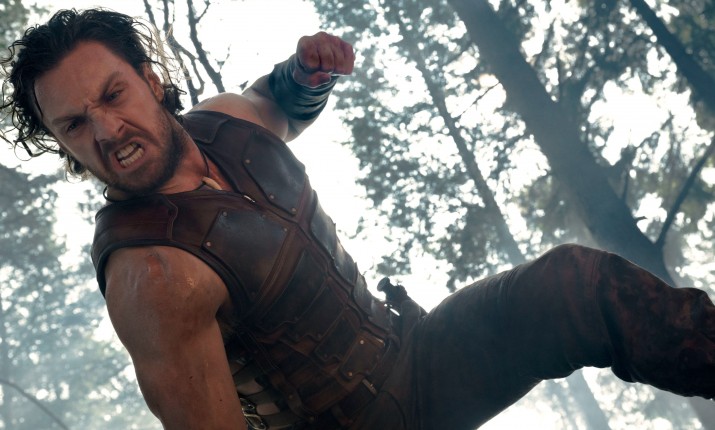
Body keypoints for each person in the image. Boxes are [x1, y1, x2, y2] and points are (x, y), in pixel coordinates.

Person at [1, 8, 713, 430]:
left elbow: (278, 102)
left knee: (575, 286)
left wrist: (308, 72)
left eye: (114, 95)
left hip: (415, 358)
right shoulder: (150, 275)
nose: (107, 129)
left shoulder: (223, 124)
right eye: (74, 124)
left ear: (151, 80)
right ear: (63, 144)